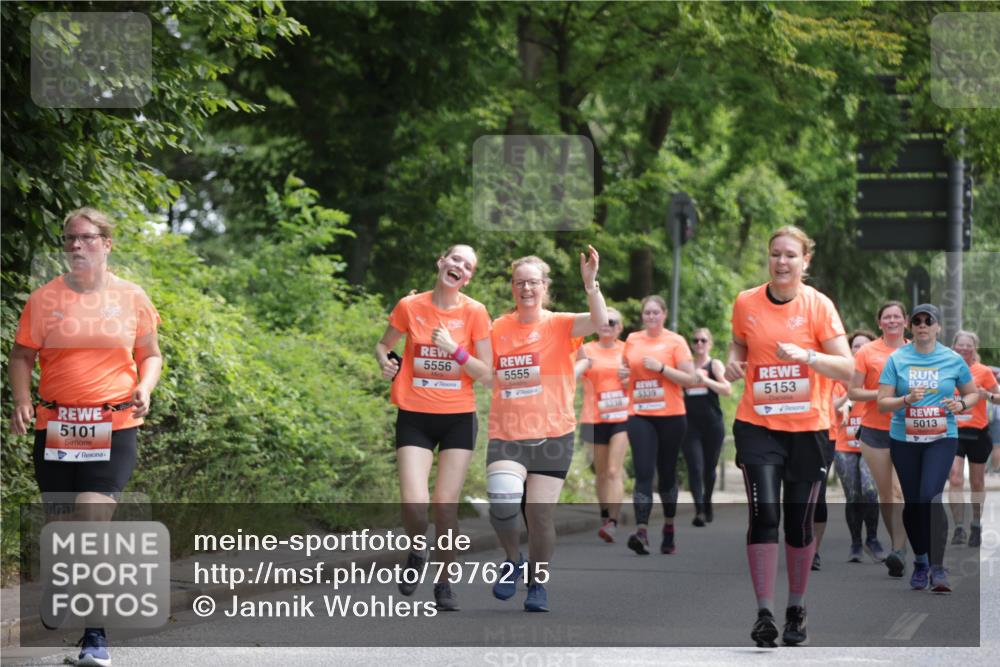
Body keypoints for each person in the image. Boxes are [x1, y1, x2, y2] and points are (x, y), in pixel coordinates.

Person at [9, 207, 163, 667]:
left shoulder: (132, 297)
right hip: (57, 427)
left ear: (107, 243)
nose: (76, 245)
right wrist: (22, 399)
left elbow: (150, 354)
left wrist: (145, 386)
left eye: (87, 237)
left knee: (93, 526)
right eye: (69, 239)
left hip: (113, 425)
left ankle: (95, 637)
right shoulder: (44, 300)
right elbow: (21, 356)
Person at [724, 225, 853, 648]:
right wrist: (733, 362)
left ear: (805, 261)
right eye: (776, 254)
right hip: (758, 424)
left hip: (809, 429)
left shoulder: (819, 306)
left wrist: (809, 355)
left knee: (798, 524)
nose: (782, 262)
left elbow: (847, 367)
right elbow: (738, 343)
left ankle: (796, 607)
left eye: (790, 255)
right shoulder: (746, 301)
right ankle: (764, 614)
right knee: (764, 515)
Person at [486, 247, 606, 612]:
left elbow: (600, 321)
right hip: (507, 433)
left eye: (533, 283)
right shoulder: (497, 328)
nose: (526, 289)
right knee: (503, 501)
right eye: (519, 282)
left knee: (539, 516)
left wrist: (591, 285)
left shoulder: (560, 324)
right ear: (512, 287)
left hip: (553, 435)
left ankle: (537, 582)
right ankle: (513, 559)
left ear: (545, 287)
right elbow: (479, 366)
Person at [374, 244, 492, 612]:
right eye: (455, 259)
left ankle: (444, 581)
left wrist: (455, 349)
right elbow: (383, 345)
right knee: (415, 503)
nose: (459, 266)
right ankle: (416, 549)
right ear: (441, 261)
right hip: (415, 415)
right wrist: (385, 362)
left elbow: (487, 374)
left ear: (468, 278)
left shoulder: (475, 312)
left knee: (444, 507)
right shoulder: (410, 306)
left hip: (458, 418)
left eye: (467, 266)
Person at [877, 303, 978, 594]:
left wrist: (960, 404)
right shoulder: (897, 359)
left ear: (938, 326)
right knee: (913, 503)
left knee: (929, 497)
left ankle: (938, 567)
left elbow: (972, 394)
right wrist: (905, 400)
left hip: (941, 438)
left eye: (928, 321)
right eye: (918, 321)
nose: (923, 325)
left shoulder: (952, 359)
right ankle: (920, 560)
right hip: (904, 439)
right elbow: (882, 403)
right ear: (911, 326)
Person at [622, 296, 697, 555]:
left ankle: (669, 526)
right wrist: (624, 376)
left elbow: (690, 379)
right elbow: (626, 372)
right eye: (647, 313)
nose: (651, 317)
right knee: (643, 472)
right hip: (640, 414)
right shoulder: (632, 340)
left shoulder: (676, 341)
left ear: (664, 314)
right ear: (642, 316)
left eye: (656, 312)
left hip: (671, 416)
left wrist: (662, 367)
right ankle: (641, 531)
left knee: (666, 474)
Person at [848, 301, 909, 578]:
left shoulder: (917, 350)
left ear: (905, 321)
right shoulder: (867, 352)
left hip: (908, 429)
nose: (892, 321)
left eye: (897, 316)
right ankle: (898, 544)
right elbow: (853, 392)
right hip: (875, 430)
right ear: (879, 323)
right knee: (886, 495)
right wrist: (883, 394)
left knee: (898, 492)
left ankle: (899, 550)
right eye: (887, 317)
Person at [575, 307, 629, 542]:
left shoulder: (628, 350)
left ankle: (613, 522)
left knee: (614, 470)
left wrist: (630, 377)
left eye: (612, 321)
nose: (607, 325)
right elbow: (571, 376)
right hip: (594, 417)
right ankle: (605, 514)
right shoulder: (587, 350)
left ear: (620, 327)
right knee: (602, 472)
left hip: (622, 417)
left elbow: (643, 378)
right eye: (604, 321)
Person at [832, 330, 885, 564]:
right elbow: (831, 405)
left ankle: (872, 539)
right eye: (855, 346)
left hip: (871, 442)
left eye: (864, 345)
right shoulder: (838, 377)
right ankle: (855, 542)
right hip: (844, 444)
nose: (859, 349)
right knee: (853, 495)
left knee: (870, 491)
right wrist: (848, 397)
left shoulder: (878, 377)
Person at [946, 331, 999, 548]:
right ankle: (959, 527)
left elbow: (998, 397)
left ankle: (976, 524)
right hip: (954, 431)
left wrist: (989, 396)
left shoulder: (983, 371)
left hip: (978, 432)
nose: (964, 349)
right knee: (955, 477)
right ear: (954, 347)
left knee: (977, 482)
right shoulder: (946, 369)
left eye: (969, 345)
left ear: (974, 348)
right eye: (961, 345)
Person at [681, 327, 731, 526]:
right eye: (695, 341)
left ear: (709, 343)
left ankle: (707, 500)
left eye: (703, 340)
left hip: (712, 424)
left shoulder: (714, 364)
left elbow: (726, 389)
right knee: (695, 467)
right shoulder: (686, 366)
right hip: (690, 425)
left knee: (709, 468)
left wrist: (706, 380)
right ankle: (699, 510)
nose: (699, 344)